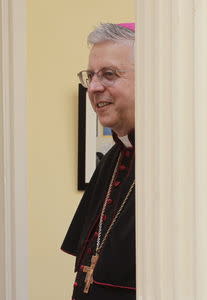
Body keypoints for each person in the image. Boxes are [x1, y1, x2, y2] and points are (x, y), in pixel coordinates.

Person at [61, 22, 136, 300]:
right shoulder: (113, 159)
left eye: (109, 74)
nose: (93, 87)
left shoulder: (174, 162)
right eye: (91, 76)